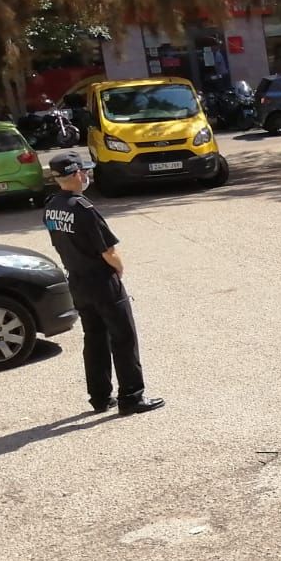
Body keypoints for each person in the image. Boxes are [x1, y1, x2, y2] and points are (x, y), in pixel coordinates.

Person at [41, 154, 163, 415]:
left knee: (95, 338)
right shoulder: (83, 209)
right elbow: (108, 252)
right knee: (123, 337)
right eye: (84, 171)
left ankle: (100, 397)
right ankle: (132, 397)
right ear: (75, 174)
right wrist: (118, 269)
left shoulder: (52, 205)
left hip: (77, 280)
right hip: (101, 281)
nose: (87, 176)